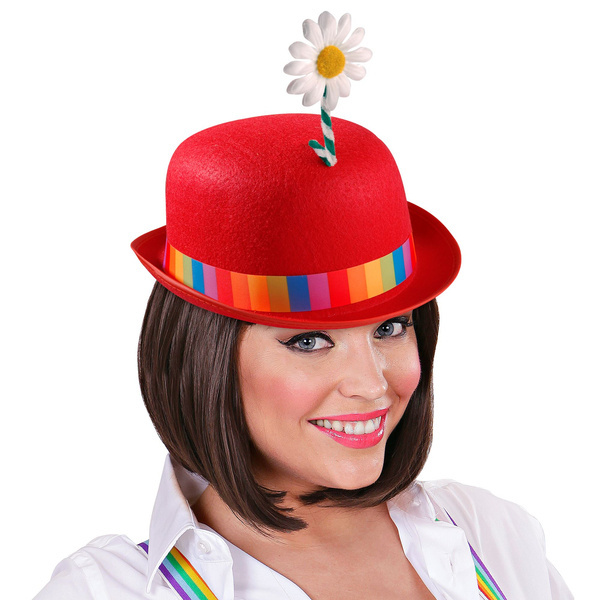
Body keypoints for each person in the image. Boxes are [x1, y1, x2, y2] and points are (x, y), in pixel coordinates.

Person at [34, 12, 573, 599]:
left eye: (391, 327)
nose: (371, 384)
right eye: (310, 341)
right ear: (202, 357)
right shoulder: (108, 591)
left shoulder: (492, 535)